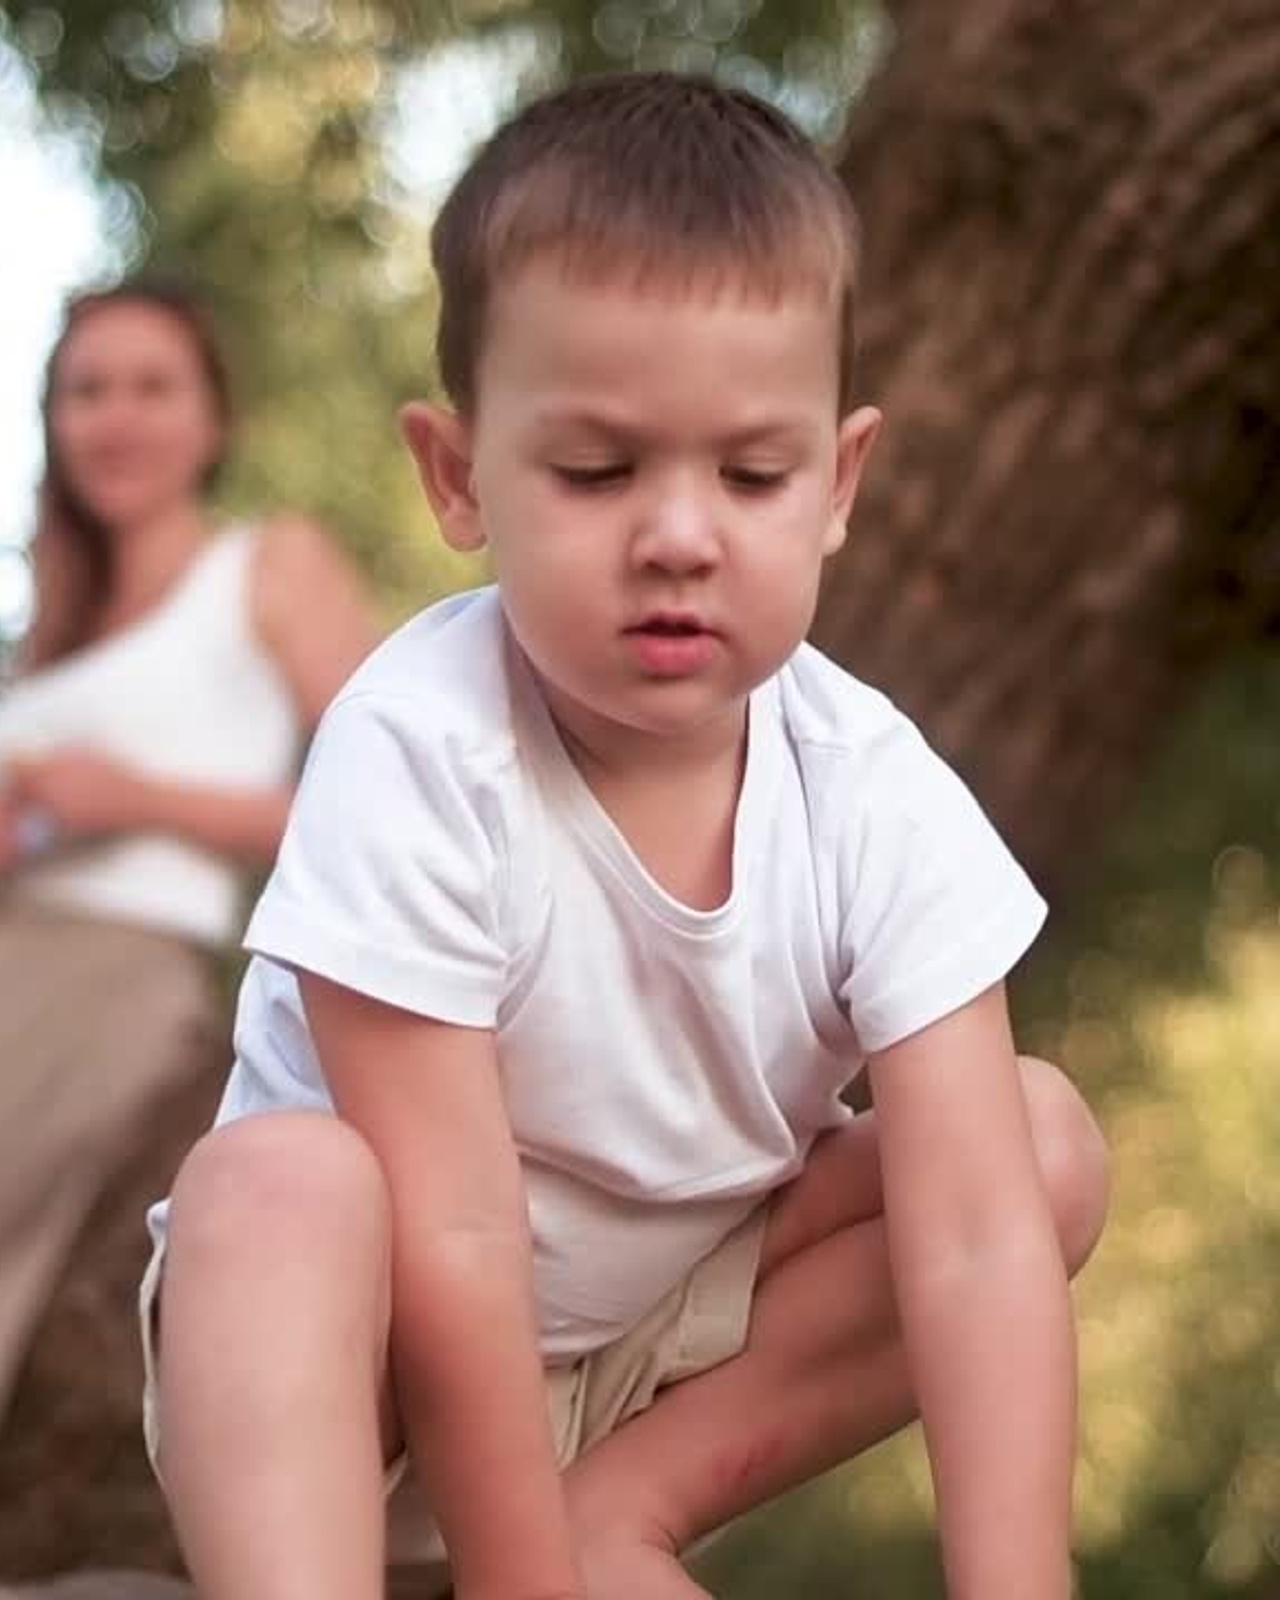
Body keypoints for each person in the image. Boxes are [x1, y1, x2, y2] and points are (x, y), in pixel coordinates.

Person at [145, 75, 1111, 1600]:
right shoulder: (418, 745)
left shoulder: (872, 787)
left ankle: (622, 1518)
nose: (678, 532)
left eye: (751, 474)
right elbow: (455, 1235)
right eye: (598, 471)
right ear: (460, 478)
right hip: (380, 1364)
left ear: (841, 483)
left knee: (1033, 1143)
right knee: (274, 1191)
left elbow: (984, 1239)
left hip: (662, 1346)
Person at [0, 280, 381, 1425]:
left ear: (214, 420)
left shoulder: (267, 564)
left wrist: (134, 798)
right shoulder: (50, 630)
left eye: (151, 387)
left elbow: (389, 797)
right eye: (86, 391)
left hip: (115, 970)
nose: (114, 418)